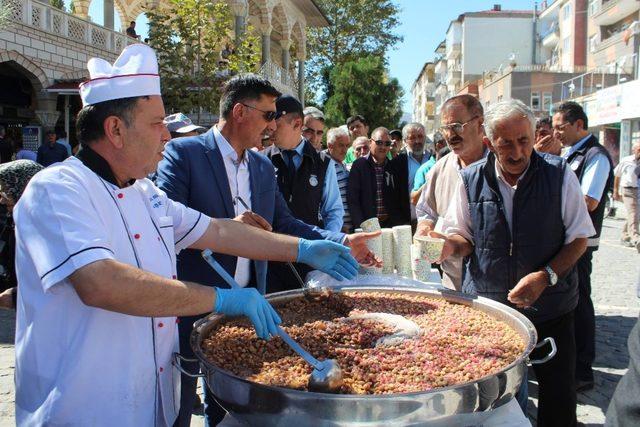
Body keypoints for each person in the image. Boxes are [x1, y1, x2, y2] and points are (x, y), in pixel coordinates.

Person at [13, 44, 359, 427]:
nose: (166, 135)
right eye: (156, 123)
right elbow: (101, 283)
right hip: (83, 407)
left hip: (150, 403)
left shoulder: (145, 194)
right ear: (115, 129)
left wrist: (305, 248)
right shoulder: (58, 189)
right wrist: (221, 298)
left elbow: (219, 231)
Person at [156, 75, 377, 426]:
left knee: (234, 404)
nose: (273, 125)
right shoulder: (184, 154)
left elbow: (285, 224)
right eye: (268, 115)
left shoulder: (261, 166)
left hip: (249, 304)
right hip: (193, 301)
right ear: (240, 112)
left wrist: (341, 241)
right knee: (180, 403)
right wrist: (229, 224)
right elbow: (164, 223)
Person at [438, 99, 595, 427]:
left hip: (551, 308)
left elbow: (580, 238)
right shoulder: (470, 179)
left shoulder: (558, 173)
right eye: (505, 143)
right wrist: (446, 247)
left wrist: (545, 275)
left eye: (524, 141)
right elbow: (464, 239)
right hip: (492, 314)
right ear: (489, 142)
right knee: (492, 402)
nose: (517, 152)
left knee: (558, 401)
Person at [553, 101, 614, 392]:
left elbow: (589, 201)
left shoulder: (595, 156)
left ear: (579, 125)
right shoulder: (569, 153)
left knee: (579, 305)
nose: (556, 133)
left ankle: (582, 370)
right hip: (562, 241)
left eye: (560, 127)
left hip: (580, 244)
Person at [263, 95, 348, 293]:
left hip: (310, 259)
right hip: (271, 260)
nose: (270, 129)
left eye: (276, 123)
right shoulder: (261, 160)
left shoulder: (323, 163)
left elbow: (333, 210)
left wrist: (328, 245)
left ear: (297, 123)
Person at [414, 95, 487, 290]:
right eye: (445, 128)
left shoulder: (499, 166)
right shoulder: (440, 168)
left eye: (456, 126)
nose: (450, 135)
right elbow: (425, 211)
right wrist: (424, 229)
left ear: (480, 123)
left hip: (491, 280)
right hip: (452, 277)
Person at [0, 160, 43, 309]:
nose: (2, 199)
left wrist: (16, 296)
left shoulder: (42, 227)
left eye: (6, 191)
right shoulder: (14, 220)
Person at [347, 127, 407, 229]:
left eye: (387, 144)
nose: (383, 147)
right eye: (379, 142)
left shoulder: (393, 167)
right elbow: (353, 200)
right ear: (371, 142)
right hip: (367, 225)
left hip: (390, 225)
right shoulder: (359, 165)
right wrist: (360, 226)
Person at [391, 122, 435, 226]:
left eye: (420, 136)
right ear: (405, 141)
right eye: (412, 138)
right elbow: (393, 196)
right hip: (407, 222)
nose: (417, 141)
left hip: (432, 221)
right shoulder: (397, 163)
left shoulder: (433, 160)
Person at [325, 126, 353, 232]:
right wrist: (337, 226)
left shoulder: (343, 164)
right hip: (335, 229)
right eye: (341, 145)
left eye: (347, 145)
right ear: (330, 145)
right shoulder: (324, 164)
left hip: (349, 227)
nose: (345, 150)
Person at [613, 142, 640, 247]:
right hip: (628, 190)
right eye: (639, 150)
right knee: (633, 213)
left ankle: (625, 236)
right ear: (634, 150)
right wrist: (615, 191)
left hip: (638, 190)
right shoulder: (626, 160)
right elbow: (617, 175)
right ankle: (636, 238)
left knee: (635, 214)